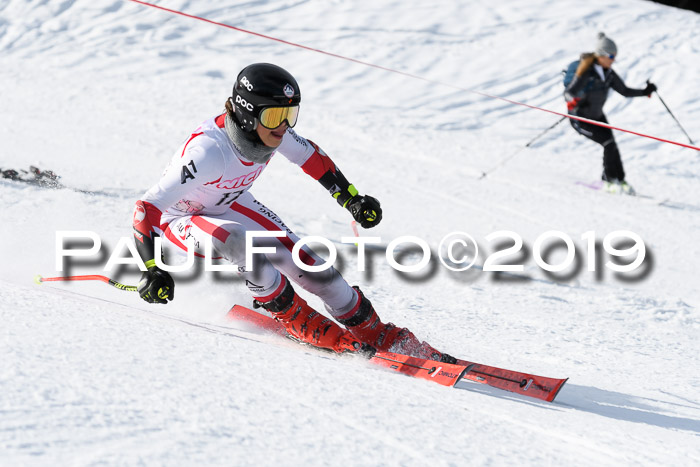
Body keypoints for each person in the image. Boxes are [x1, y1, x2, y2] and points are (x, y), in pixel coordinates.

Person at [132, 63, 455, 363]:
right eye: (274, 117)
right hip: (180, 219)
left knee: (310, 265)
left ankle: (373, 330)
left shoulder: (271, 131)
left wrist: (351, 198)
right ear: (246, 114)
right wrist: (152, 268)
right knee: (240, 242)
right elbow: (147, 208)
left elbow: (310, 156)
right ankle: (295, 317)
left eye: (290, 115)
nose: (283, 127)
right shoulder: (208, 151)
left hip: (230, 203)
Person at [564, 32, 656, 195]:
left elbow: (625, 91)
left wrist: (645, 91)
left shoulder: (608, 74)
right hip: (580, 118)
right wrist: (573, 100)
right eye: (611, 56)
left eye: (614, 56)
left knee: (612, 145)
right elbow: (570, 92)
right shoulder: (587, 71)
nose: (613, 59)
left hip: (597, 116)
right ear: (601, 55)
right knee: (608, 144)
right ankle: (608, 179)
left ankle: (620, 179)